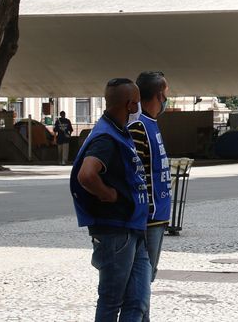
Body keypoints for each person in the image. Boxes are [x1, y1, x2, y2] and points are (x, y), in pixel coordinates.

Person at [70, 78, 150, 322]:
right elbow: (87, 174)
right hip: (116, 229)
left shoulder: (117, 131)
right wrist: (109, 194)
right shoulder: (106, 138)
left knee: (137, 300)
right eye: (136, 103)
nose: (138, 109)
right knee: (112, 300)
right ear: (128, 104)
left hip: (131, 227)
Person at [128, 71, 173, 316]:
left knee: (145, 280)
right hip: (148, 219)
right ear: (158, 94)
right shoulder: (138, 126)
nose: (167, 99)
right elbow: (135, 173)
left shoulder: (150, 124)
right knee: (140, 284)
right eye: (166, 94)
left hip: (158, 216)